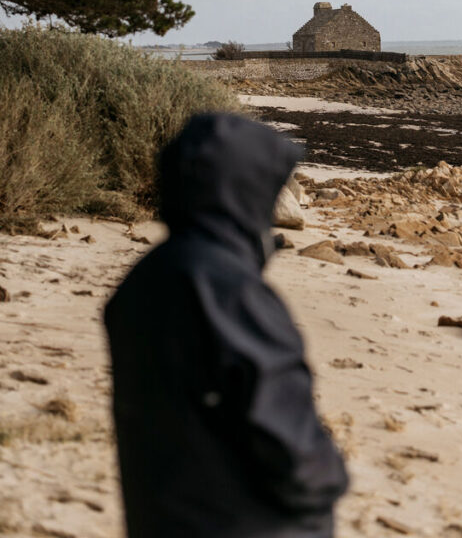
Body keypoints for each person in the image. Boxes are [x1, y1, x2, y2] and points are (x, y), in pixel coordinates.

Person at [104, 113, 348, 538]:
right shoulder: (226, 290)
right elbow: (291, 445)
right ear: (244, 189)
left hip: (163, 515)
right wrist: (327, 480)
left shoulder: (144, 278)